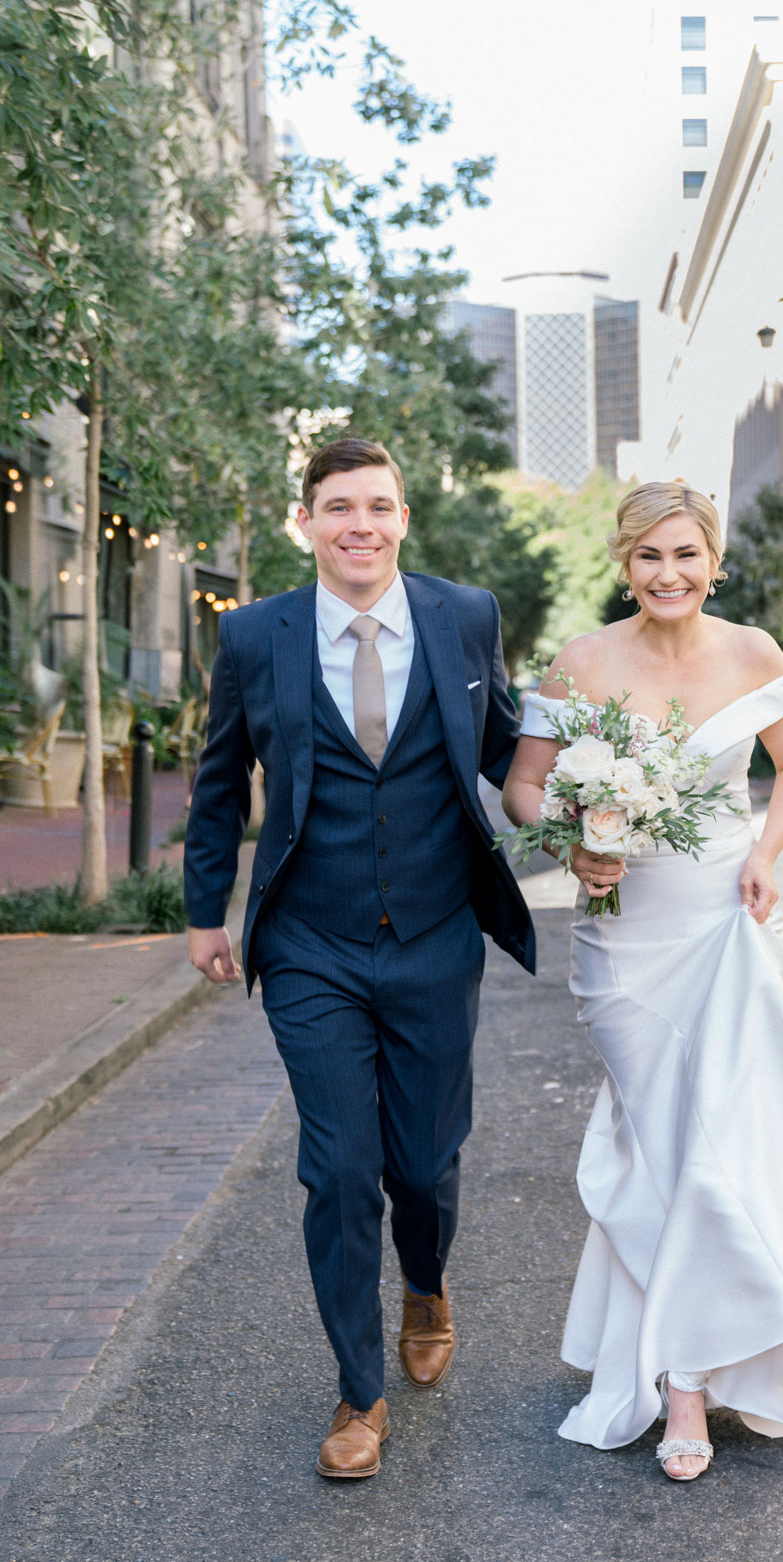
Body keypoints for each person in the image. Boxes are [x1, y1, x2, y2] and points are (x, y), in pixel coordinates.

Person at [502, 481, 783, 1482]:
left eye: (685, 554)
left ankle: (685, 1376)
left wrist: (768, 849)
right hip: (622, 935)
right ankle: (699, 1342)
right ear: (624, 563)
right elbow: (521, 784)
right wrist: (570, 840)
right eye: (648, 556)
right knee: (660, 1137)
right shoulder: (582, 661)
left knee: (712, 1138)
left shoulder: (754, 653)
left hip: (725, 916)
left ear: (712, 560)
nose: (667, 573)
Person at [184, 437, 534, 1481]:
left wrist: (603, 800)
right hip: (309, 944)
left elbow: (507, 745)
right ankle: (359, 1389)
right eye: (338, 506)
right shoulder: (253, 635)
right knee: (337, 1169)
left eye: (378, 504)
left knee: (421, 1162)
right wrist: (208, 912)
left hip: (433, 933)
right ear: (307, 522)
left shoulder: (463, 615)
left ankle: (425, 1280)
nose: (360, 524)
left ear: (403, 517)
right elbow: (214, 786)